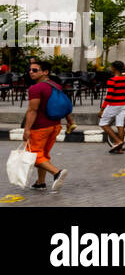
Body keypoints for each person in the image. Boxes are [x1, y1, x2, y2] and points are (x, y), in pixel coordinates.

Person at [21, 59, 73, 192]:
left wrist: (27, 129)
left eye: (35, 70)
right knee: (43, 154)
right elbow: (64, 105)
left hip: (40, 127)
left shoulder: (35, 88)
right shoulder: (56, 85)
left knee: (34, 155)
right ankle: (40, 182)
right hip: (55, 126)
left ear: (45, 72)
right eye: (30, 70)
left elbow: (33, 110)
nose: (31, 72)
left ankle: (56, 173)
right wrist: (69, 121)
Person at [99, 60, 125, 153]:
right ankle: (120, 149)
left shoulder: (112, 80)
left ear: (114, 68)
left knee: (103, 123)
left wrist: (102, 109)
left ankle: (118, 141)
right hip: (123, 104)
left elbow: (109, 96)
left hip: (113, 104)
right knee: (120, 124)